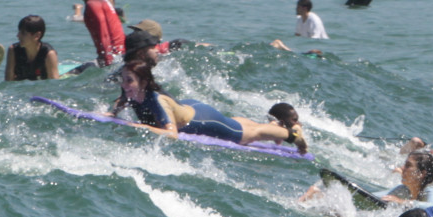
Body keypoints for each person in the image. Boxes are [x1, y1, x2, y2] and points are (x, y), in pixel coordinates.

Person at [115, 59, 308, 153]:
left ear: (144, 82)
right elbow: (117, 106)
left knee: (250, 133)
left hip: (200, 120)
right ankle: (276, 127)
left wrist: (141, 128)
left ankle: (294, 135)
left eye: (129, 80)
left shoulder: (156, 100)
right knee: (233, 122)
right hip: (188, 108)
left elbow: (171, 134)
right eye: (123, 79)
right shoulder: (130, 93)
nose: (124, 84)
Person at [71, 0, 124, 65]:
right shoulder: (102, 1)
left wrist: (108, 65)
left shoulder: (93, 5)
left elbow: (104, 35)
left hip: (114, 58)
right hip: (119, 56)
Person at [5, 14, 60, 81]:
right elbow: (8, 82)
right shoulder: (13, 50)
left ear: (37, 35)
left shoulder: (49, 54)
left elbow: (54, 83)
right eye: (19, 31)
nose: (18, 35)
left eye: (23, 33)